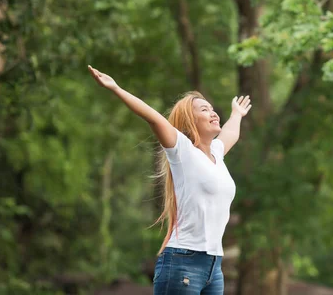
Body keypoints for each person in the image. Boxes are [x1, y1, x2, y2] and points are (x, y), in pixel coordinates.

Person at [88, 65, 252, 295]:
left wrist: (236, 114)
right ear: (190, 120)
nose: (214, 113)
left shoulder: (216, 153)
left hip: (214, 265)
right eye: (205, 110)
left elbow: (231, 132)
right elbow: (152, 117)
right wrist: (116, 88)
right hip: (183, 262)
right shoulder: (182, 150)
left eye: (213, 109)